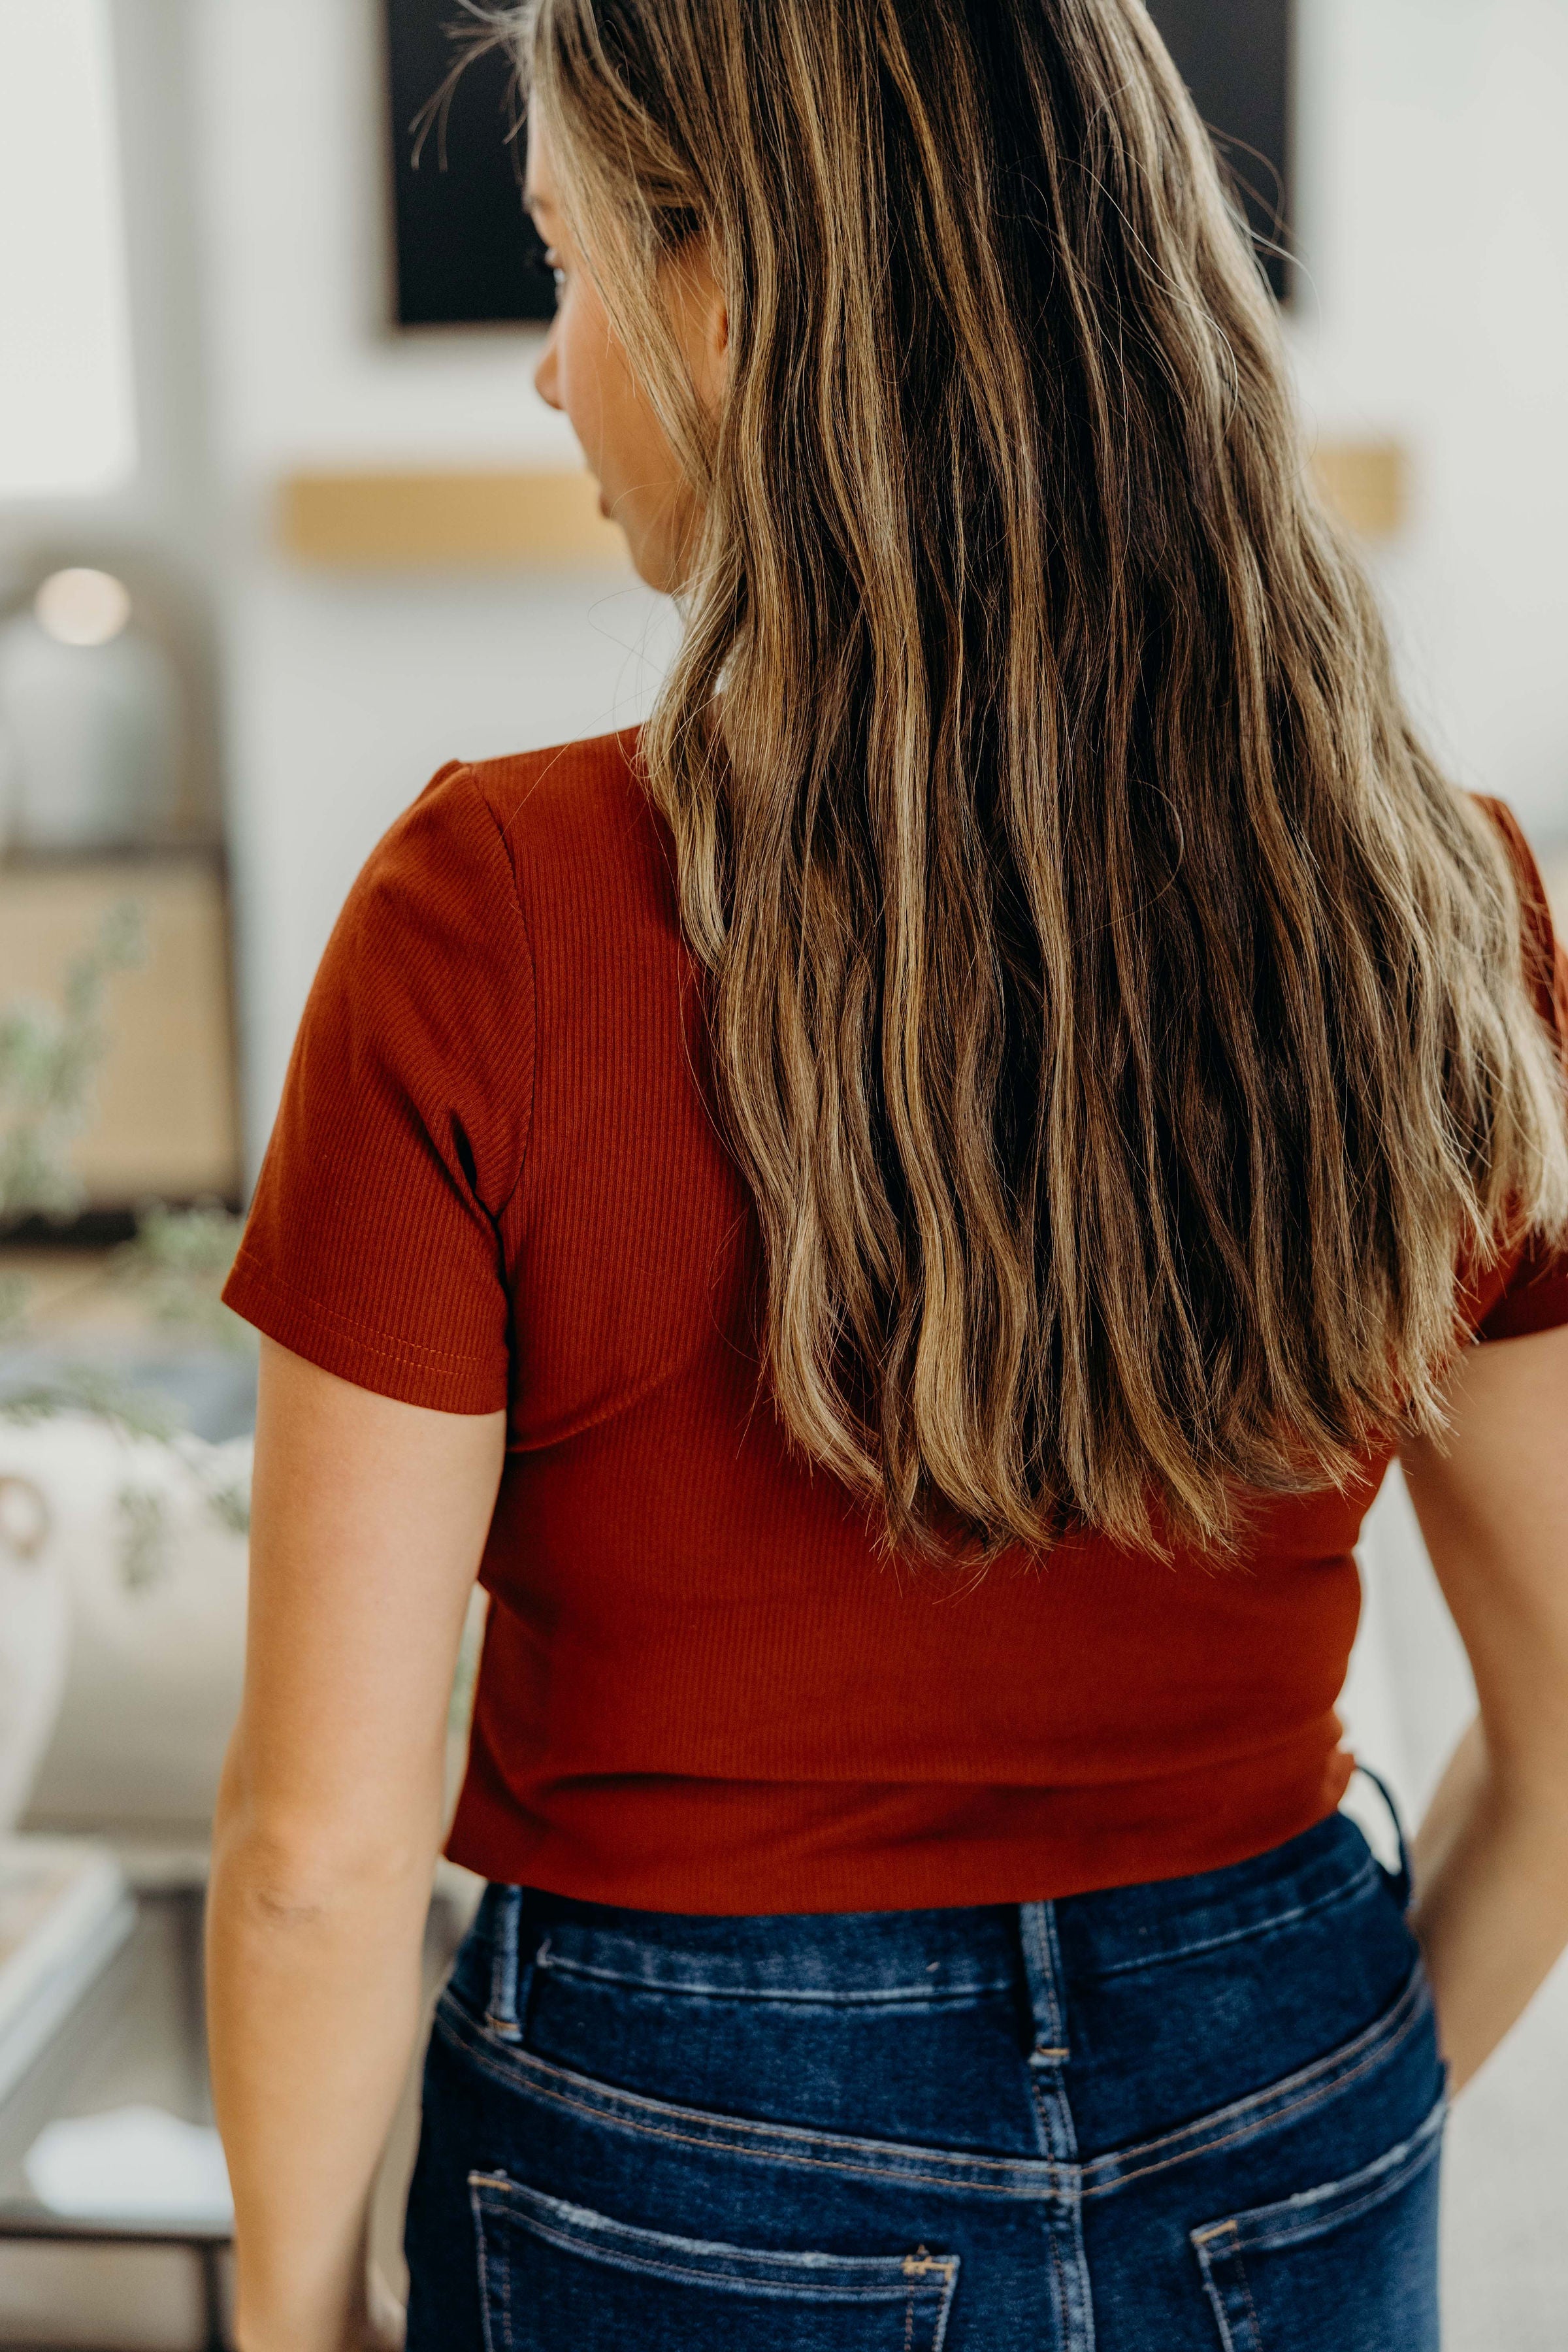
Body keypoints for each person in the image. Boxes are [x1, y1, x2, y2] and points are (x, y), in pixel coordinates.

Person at [204, 3, 1568, 2346]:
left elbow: (319, 1856)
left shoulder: (483, 919)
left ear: (730, 288)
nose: (548, 372)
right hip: (1280, 2046)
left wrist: (291, 2320)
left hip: (677, 2124)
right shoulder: (1443, 914)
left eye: (567, 267)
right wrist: (1315, 2118)